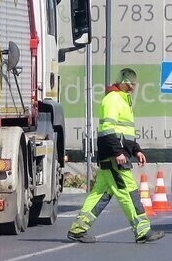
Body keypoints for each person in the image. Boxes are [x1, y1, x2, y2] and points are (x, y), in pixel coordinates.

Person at [67, 68, 164, 243]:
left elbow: (125, 133)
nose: (134, 88)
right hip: (114, 158)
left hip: (114, 156)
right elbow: (108, 130)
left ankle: (78, 229)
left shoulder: (123, 101)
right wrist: (117, 152)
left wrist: (137, 150)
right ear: (125, 83)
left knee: (99, 195)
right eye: (132, 84)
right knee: (129, 192)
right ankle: (142, 231)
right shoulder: (112, 100)